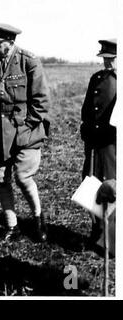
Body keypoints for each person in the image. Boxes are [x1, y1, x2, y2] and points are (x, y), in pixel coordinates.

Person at [0, 23, 50, 242]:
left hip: (26, 132)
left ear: (10, 43)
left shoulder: (29, 61)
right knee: (1, 179)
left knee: (23, 178)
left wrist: (25, 127)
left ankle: (38, 219)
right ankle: (12, 227)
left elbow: (42, 102)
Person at [80, 39, 116, 247]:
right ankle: (97, 229)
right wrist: (87, 128)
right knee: (90, 183)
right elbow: (87, 109)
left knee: (112, 187)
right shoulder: (97, 78)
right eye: (105, 58)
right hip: (94, 142)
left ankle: (111, 238)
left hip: (112, 145)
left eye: (112, 58)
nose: (108, 62)